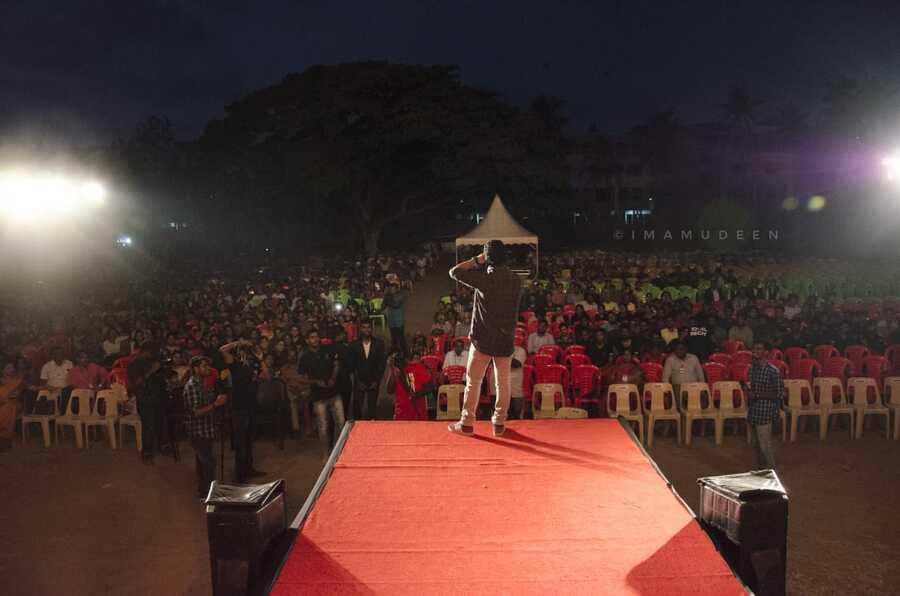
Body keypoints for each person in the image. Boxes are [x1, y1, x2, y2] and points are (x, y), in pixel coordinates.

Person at [447, 240, 522, 437]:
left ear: (488, 258)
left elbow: (453, 271)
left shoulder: (484, 280)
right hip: (505, 340)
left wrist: (476, 260)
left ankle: (467, 424)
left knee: (474, 382)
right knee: (502, 383)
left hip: (483, 341)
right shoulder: (516, 280)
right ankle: (499, 424)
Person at [183, 356, 228, 499]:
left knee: (204, 463)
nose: (208, 369)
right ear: (195, 369)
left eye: (208, 366)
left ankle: (204, 492)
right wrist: (216, 404)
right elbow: (196, 412)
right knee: (208, 464)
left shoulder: (201, 383)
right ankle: (209, 494)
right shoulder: (191, 386)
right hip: (198, 431)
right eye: (204, 366)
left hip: (206, 428)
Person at [220, 340, 265, 483]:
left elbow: (265, 376)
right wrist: (239, 342)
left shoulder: (252, 364)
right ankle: (240, 474)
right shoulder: (234, 364)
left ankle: (249, 469)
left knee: (249, 440)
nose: (244, 353)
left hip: (251, 404)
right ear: (238, 353)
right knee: (240, 442)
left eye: (246, 351)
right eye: (242, 351)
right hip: (239, 407)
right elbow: (222, 349)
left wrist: (259, 359)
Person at [298, 330, 346, 461]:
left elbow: (337, 364)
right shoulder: (305, 357)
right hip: (318, 397)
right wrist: (315, 381)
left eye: (316, 337)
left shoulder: (327, 350)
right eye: (312, 337)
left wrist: (333, 377)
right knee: (323, 427)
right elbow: (301, 378)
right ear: (307, 340)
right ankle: (326, 453)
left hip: (334, 393)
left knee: (341, 423)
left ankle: (338, 450)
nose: (315, 339)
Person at [747, 341, 784, 469]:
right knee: (755, 444)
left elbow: (779, 393)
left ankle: (772, 472)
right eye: (754, 348)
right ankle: (761, 470)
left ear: (766, 352)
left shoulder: (773, 371)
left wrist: (757, 395)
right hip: (753, 410)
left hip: (765, 411)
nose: (755, 351)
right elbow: (752, 388)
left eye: (758, 348)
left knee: (765, 445)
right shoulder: (752, 369)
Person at [349, 321, 386, 421]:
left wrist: (376, 381)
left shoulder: (379, 343)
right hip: (359, 381)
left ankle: (372, 430)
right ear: (360, 329)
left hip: (374, 381)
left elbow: (382, 364)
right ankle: (357, 430)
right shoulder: (353, 345)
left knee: (372, 407)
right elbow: (352, 365)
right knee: (357, 407)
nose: (366, 330)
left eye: (368, 327)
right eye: (364, 327)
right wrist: (358, 381)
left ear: (371, 329)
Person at [389, 351, 433, 420]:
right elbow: (389, 390)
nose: (398, 361)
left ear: (406, 359)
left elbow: (430, 386)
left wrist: (417, 394)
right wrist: (392, 371)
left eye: (400, 358)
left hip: (417, 415)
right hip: (400, 415)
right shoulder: (395, 371)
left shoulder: (417, 367)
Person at [0, 362, 25, 450]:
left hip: (14, 404)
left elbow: (21, 391)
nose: (11, 370)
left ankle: (5, 439)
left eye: (12, 368)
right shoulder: (1, 381)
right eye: (8, 368)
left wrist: (17, 393)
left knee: (9, 407)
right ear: (3, 370)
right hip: (2, 403)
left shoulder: (17, 381)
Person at [385, 283, 409, 356]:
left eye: (393, 288)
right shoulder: (388, 296)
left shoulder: (401, 295)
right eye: (390, 288)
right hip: (391, 320)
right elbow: (382, 305)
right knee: (393, 338)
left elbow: (396, 305)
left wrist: (388, 299)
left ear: (397, 289)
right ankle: (394, 354)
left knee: (401, 338)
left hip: (399, 321)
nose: (391, 290)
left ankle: (405, 354)